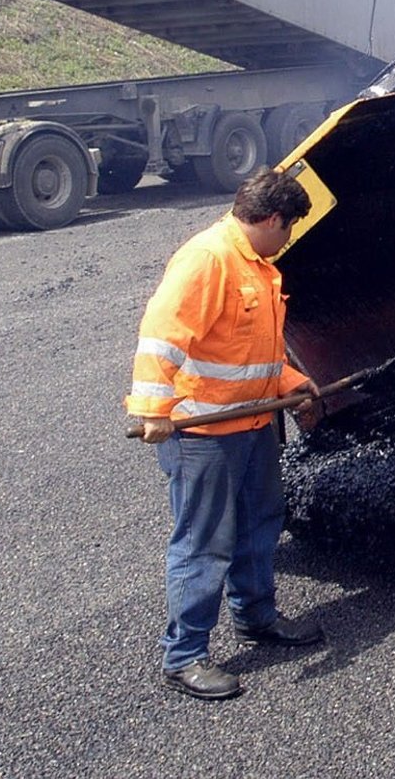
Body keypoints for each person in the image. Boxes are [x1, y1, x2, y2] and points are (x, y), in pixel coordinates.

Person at [127, 169, 326, 701]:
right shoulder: (208, 259)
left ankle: (256, 617)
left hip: (256, 422)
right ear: (271, 219)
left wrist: (295, 383)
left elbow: (252, 352)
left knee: (260, 524)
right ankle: (184, 654)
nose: (289, 239)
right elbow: (162, 336)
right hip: (205, 435)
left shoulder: (257, 266)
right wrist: (152, 408)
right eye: (289, 228)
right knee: (203, 542)